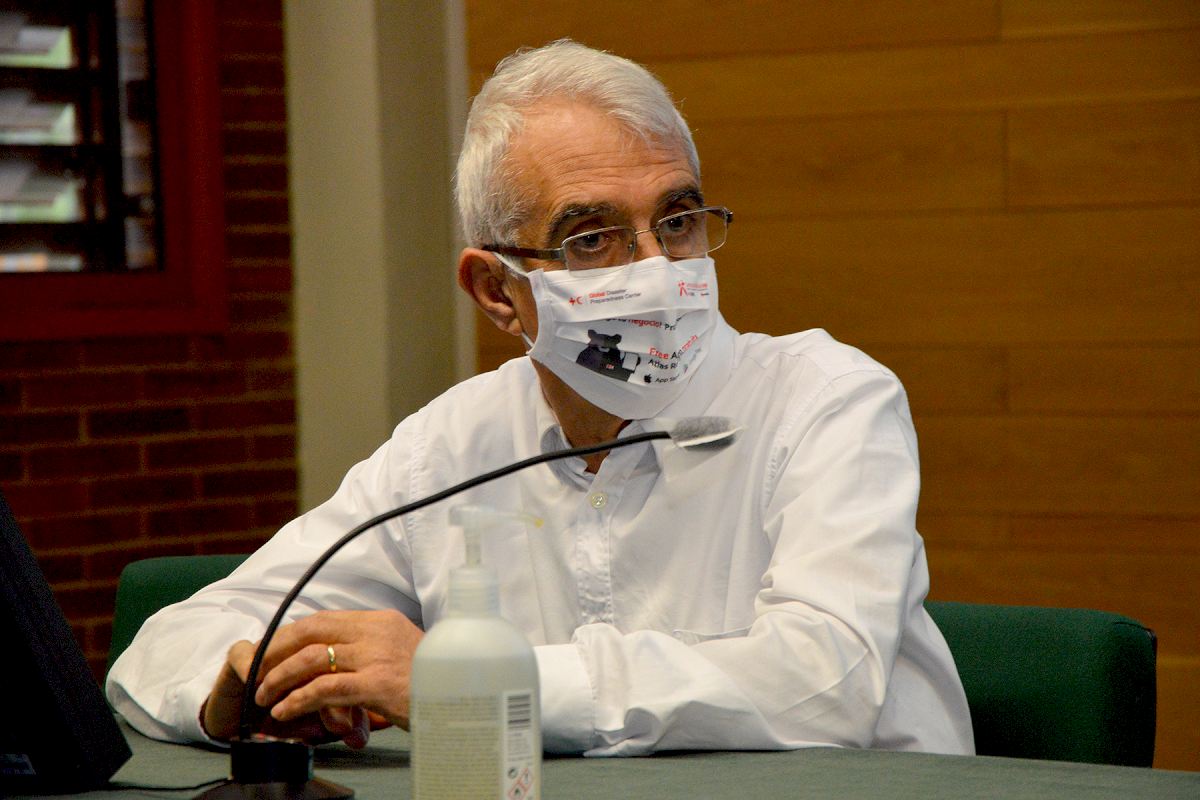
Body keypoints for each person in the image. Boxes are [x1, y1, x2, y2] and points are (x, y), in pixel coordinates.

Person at [107, 39, 974, 757]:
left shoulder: (826, 399)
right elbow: (173, 645)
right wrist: (241, 688)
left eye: (676, 221)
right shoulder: (449, 447)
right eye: (593, 238)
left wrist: (471, 683)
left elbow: (824, 683)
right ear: (496, 291)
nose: (657, 270)